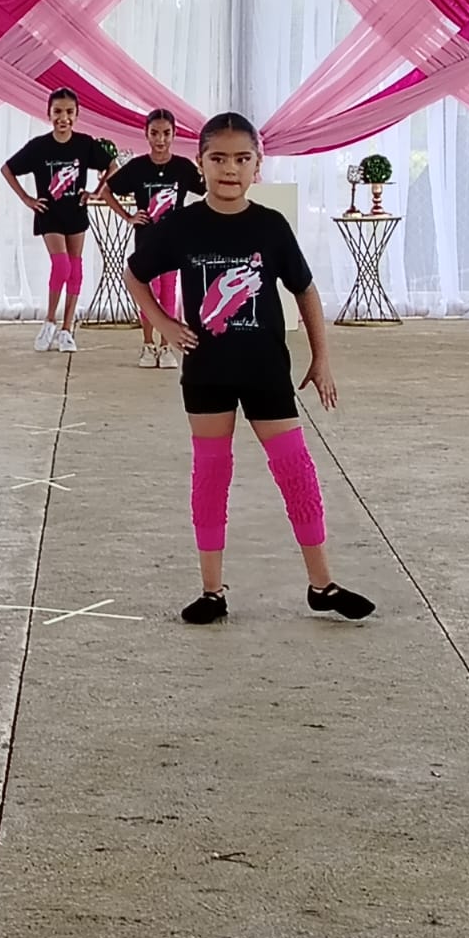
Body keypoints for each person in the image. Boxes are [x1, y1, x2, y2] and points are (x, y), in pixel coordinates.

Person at [122, 111, 374, 626]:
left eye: (241, 159)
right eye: (218, 158)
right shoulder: (182, 226)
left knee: (295, 470)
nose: (230, 169)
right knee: (212, 474)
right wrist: (165, 324)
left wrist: (321, 358)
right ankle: (212, 590)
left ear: (257, 165)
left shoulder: (270, 226)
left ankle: (322, 583)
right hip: (207, 372)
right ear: (200, 164)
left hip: (265, 371)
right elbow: (135, 274)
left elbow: (305, 290)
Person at [2, 88, 116, 353]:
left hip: (75, 212)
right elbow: (8, 169)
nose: (63, 118)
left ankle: (67, 329)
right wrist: (27, 199)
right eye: (57, 112)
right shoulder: (39, 146)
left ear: (77, 115)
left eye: (69, 112)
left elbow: (112, 166)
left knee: (75, 268)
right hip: (49, 213)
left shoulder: (84, 143)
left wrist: (96, 192)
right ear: (48, 113)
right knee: (61, 266)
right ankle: (49, 321)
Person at [98, 108, 204, 369]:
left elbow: (206, 189)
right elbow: (106, 191)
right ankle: (148, 344)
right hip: (146, 240)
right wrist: (128, 216)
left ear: (174, 134)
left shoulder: (183, 167)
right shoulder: (137, 167)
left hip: (175, 241)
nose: (160, 139)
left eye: (166, 133)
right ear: (146, 134)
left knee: (169, 290)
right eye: (155, 133)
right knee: (149, 291)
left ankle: (166, 345)